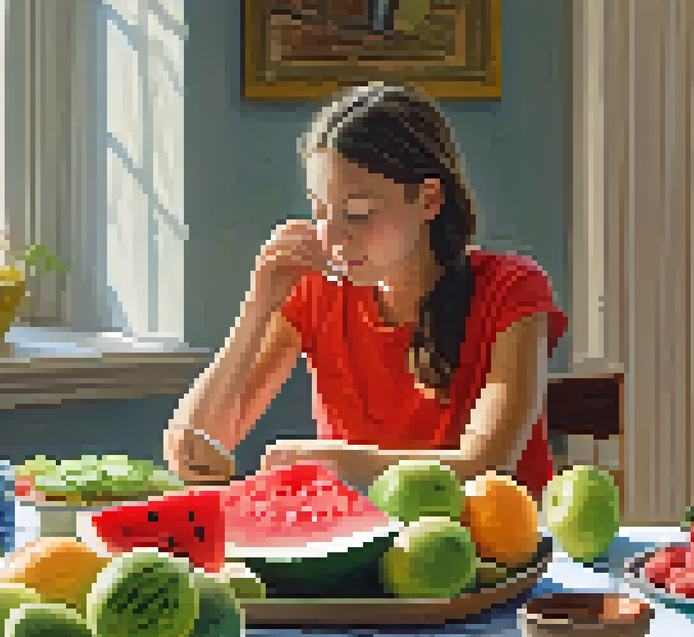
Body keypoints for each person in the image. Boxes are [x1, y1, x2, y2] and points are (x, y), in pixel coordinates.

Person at [164, 81, 568, 497]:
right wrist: (259, 303)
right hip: (364, 548)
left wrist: (337, 463)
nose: (334, 236)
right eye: (321, 212)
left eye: (357, 214)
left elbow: (487, 465)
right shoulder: (317, 293)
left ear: (429, 200)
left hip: (498, 550)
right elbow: (194, 449)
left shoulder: (512, 289)